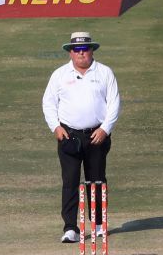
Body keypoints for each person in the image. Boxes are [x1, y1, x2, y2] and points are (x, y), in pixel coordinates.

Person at [42, 30, 121, 243]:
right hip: (69, 135)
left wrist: (105, 128)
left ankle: (97, 225)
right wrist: (56, 128)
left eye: (84, 49)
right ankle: (71, 228)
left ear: (91, 50)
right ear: (70, 53)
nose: (81, 54)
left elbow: (114, 103)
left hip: (97, 135)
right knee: (70, 181)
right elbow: (48, 103)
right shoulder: (59, 75)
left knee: (96, 181)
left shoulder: (104, 73)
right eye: (76, 50)